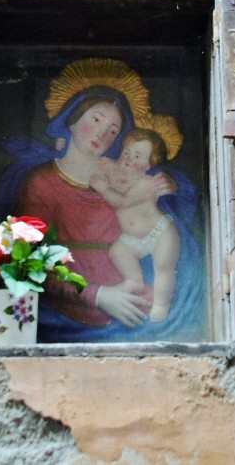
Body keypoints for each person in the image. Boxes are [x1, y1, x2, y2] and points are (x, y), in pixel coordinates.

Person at [0, 58, 205, 342]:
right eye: (96, 119)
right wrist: (98, 295)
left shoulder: (125, 178)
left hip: (132, 303)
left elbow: (177, 210)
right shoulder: (41, 183)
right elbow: (28, 263)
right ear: (73, 119)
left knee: (180, 324)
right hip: (67, 309)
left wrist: (173, 185)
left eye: (114, 130)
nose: (103, 133)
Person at [89, 120, 183, 323]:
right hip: (132, 238)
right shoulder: (118, 173)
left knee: (164, 269)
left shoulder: (147, 183)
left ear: (148, 165)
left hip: (160, 233)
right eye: (126, 153)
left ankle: (161, 305)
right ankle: (135, 280)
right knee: (117, 251)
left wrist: (104, 188)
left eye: (137, 156)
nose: (129, 159)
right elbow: (98, 162)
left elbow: (123, 202)